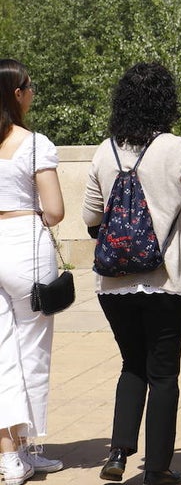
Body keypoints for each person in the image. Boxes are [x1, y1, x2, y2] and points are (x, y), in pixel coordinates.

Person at [84, 63, 181, 485]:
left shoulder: (105, 150)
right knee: (163, 372)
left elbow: (90, 217)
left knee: (131, 364)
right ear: (165, 101)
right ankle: (156, 469)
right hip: (167, 280)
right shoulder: (177, 148)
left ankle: (117, 453)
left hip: (113, 283)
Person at [0, 60, 65, 485]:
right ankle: (20, 451)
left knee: (4, 350)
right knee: (31, 352)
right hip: (26, 242)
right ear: (18, 93)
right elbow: (55, 210)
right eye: (30, 85)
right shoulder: (35, 143)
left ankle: (13, 453)